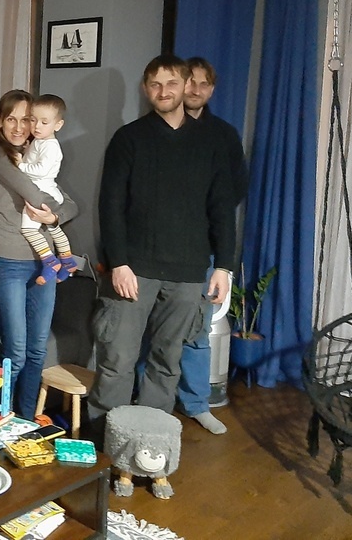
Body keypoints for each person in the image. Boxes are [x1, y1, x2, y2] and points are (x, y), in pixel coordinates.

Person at [89, 55, 236, 438]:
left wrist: (223, 266)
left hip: (188, 272)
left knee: (167, 363)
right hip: (133, 270)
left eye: (171, 83)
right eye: (155, 84)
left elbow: (222, 207)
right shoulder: (129, 138)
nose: (163, 91)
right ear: (145, 89)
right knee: (116, 361)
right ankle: (106, 441)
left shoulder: (212, 141)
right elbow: (110, 205)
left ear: (186, 85)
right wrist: (119, 262)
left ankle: (149, 443)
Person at [0, 90, 78, 419]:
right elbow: (34, 194)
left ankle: (25, 420)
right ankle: (2, 418)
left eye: (27, 119)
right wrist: (54, 210)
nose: (20, 126)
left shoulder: (38, 153)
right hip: (8, 260)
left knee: (37, 351)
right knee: (17, 351)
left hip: (42, 261)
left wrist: (54, 217)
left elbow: (71, 205)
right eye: (11, 119)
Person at [174, 56, 249, 435]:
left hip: (202, 246)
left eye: (204, 83)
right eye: (190, 81)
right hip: (156, 247)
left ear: (212, 89)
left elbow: (236, 188)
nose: (196, 89)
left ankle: (195, 403)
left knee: (197, 330)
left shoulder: (223, 134)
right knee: (151, 328)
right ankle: (146, 399)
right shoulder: (161, 128)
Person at [17, 93, 78, 285]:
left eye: (44, 122)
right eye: (33, 120)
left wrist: (20, 166)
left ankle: (50, 261)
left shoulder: (51, 146)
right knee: (53, 227)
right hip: (45, 189)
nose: (37, 126)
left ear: (58, 125)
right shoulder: (40, 141)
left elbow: (40, 170)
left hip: (43, 191)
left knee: (28, 229)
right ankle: (67, 260)